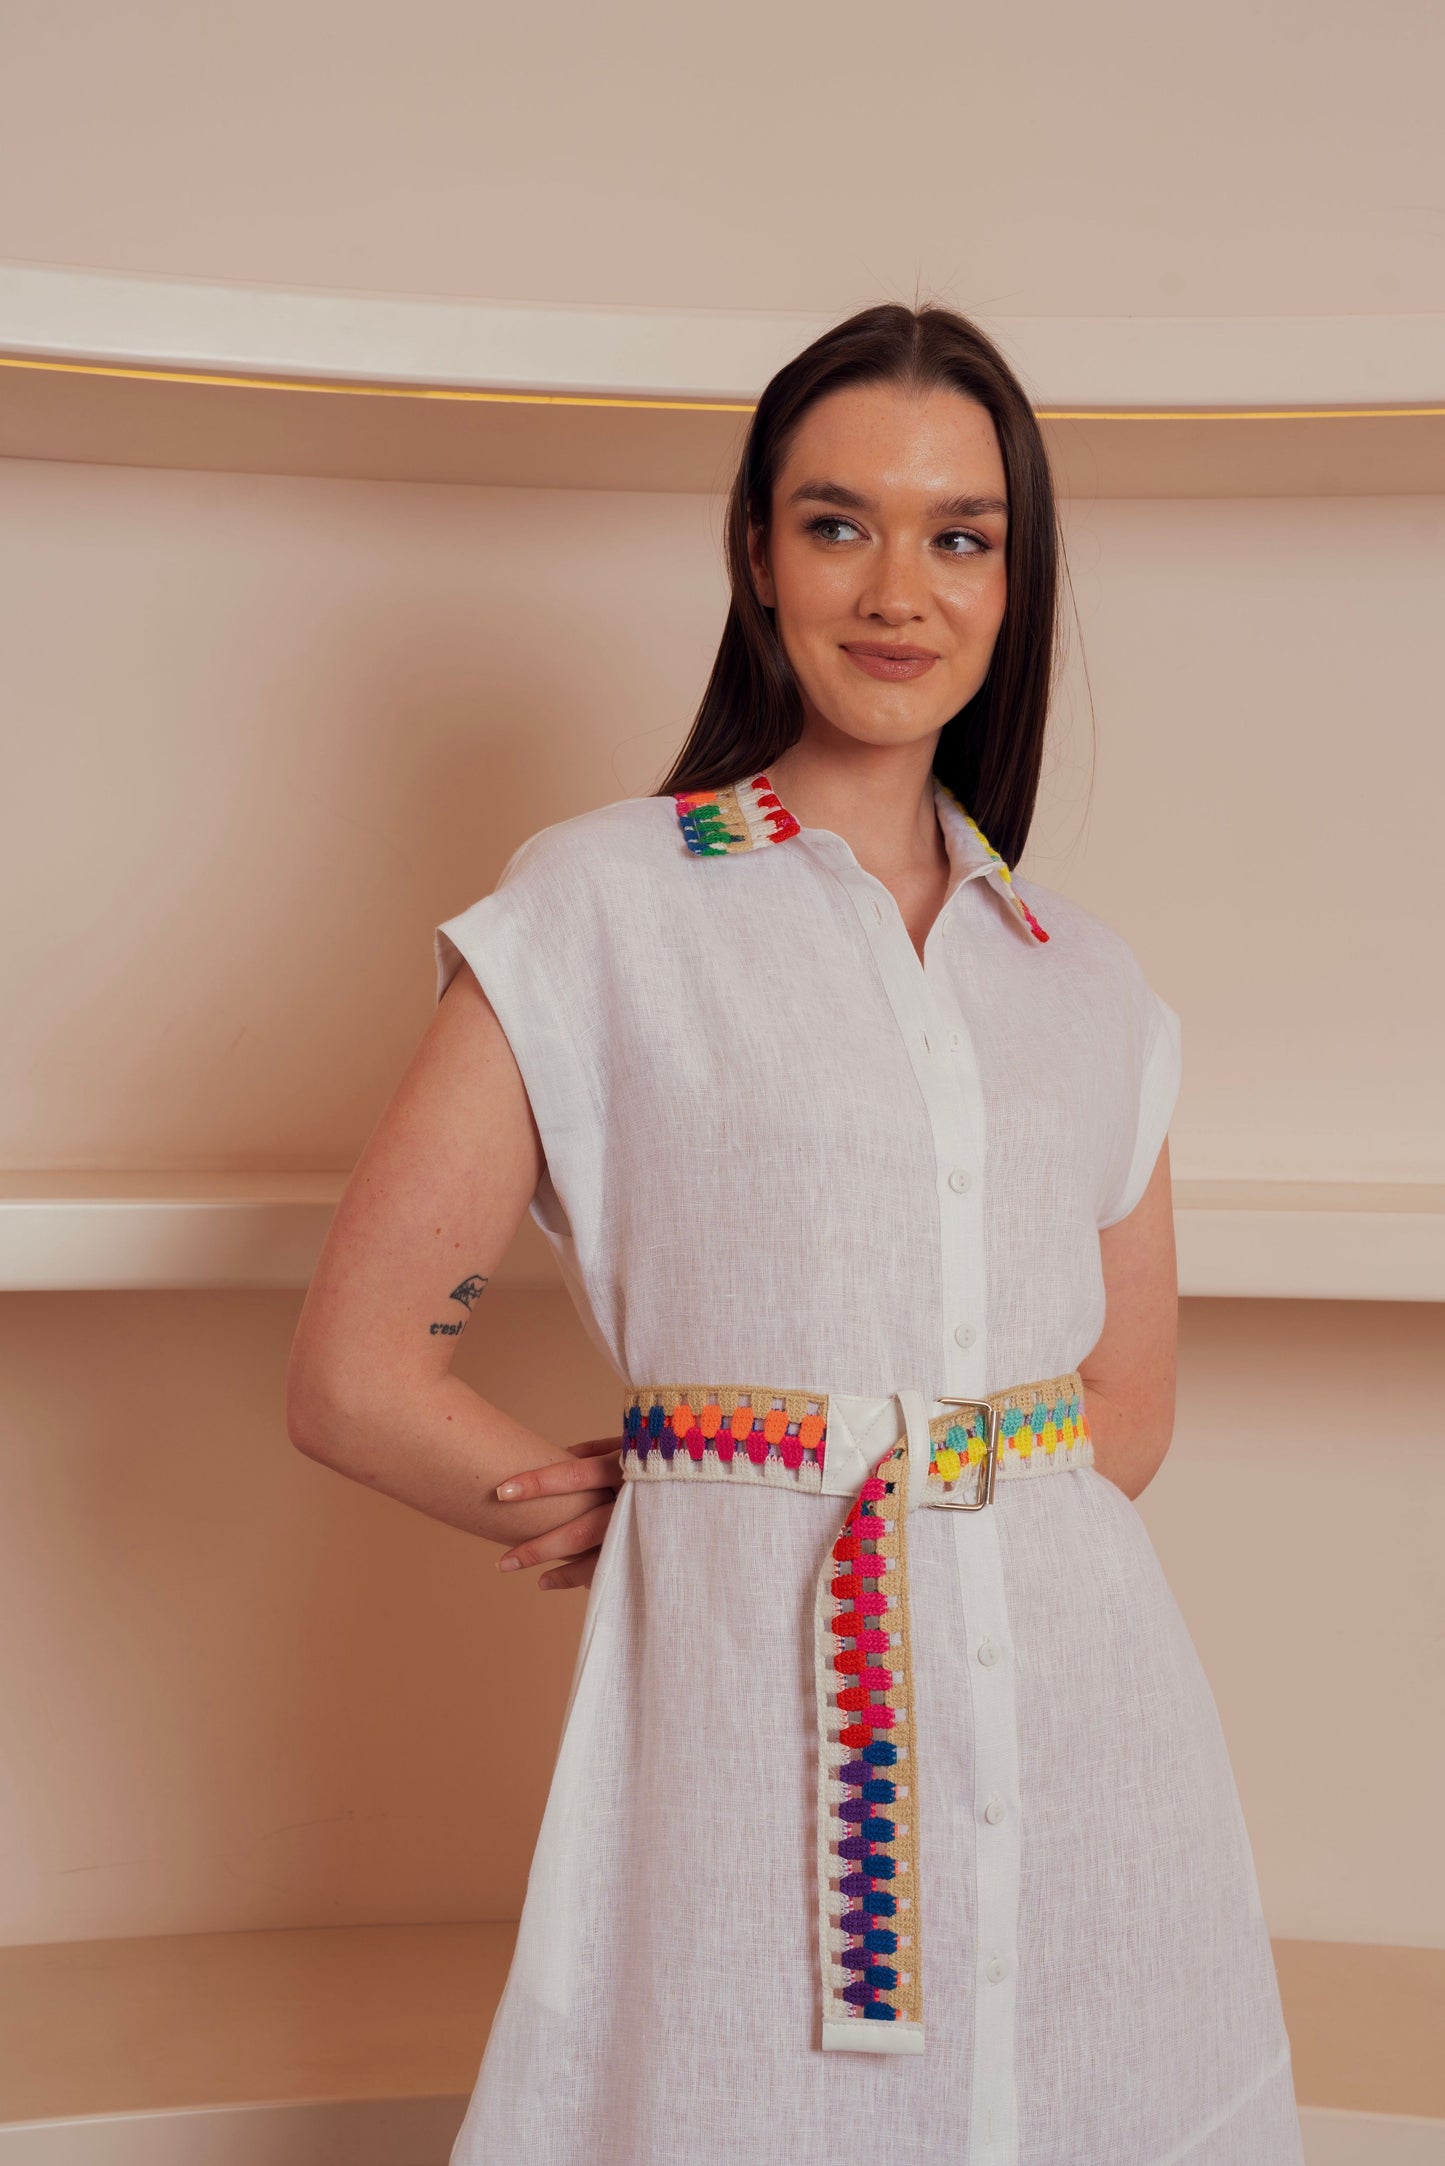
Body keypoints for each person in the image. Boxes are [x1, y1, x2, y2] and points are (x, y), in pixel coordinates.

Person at [286, 303, 1305, 2164]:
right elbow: (354, 1373)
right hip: (760, 1726)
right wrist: (692, 1501)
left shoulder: (1086, 979)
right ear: (755, 557)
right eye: (837, 522)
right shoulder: (605, 903)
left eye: (959, 534)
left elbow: (1122, 1421)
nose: (897, 586)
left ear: (1014, 580)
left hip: (1097, 1742)